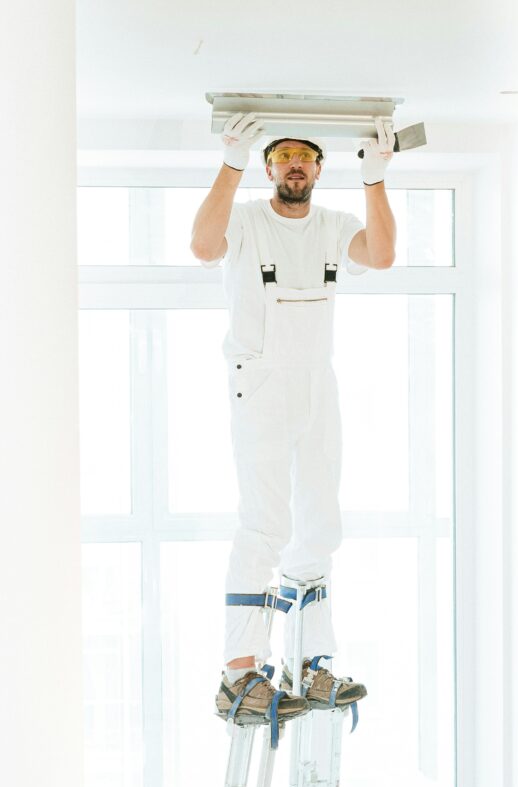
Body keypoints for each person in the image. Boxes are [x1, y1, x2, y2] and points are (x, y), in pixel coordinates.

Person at [190, 111, 396, 730]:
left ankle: (308, 662)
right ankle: (240, 672)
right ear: (269, 166)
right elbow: (203, 247)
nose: (295, 164)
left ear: (319, 168)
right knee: (265, 520)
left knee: (318, 522)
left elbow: (381, 256)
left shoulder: (334, 227)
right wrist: (229, 164)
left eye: (305, 155)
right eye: (283, 156)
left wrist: (376, 179)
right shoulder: (248, 220)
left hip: (316, 382)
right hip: (261, 379)